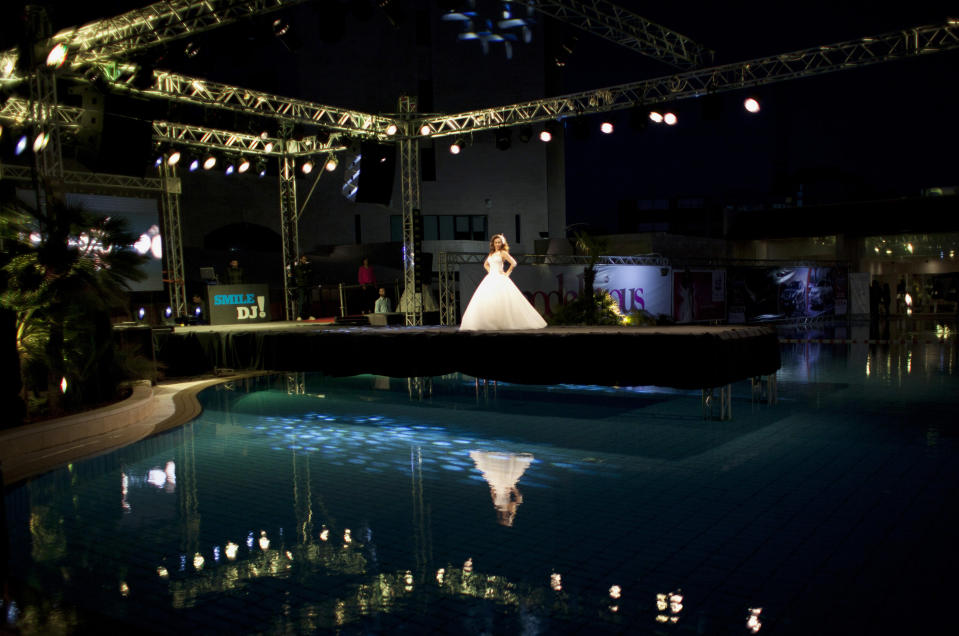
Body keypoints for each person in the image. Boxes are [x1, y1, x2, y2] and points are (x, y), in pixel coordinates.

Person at [459, 234, 547, 331]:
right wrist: (491, 272)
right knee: (489, 300)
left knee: (502, 300)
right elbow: (485, 265)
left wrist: (507, 273)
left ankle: (504, 323)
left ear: (502, 243)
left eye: (499, 242)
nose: (497, 244)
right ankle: (490, 323)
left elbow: (513, 263)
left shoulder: (503, 253)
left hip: (500, 278)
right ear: (493, 243)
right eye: (495, 242)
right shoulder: (491, 254)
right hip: (490, 278)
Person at [293, 255, 314, 320]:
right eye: (304, 259)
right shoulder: (297, 267)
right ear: (300, 259)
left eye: (306, 259)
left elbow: (311, 273)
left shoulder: (308, 266)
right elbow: (300, 274)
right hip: (301, 286)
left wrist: (306, 272)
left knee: (309, 301)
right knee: (301, 301)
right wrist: (306, 272)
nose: (305, 260)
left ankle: (310, 315)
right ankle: (299, 316)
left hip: (308, 285)